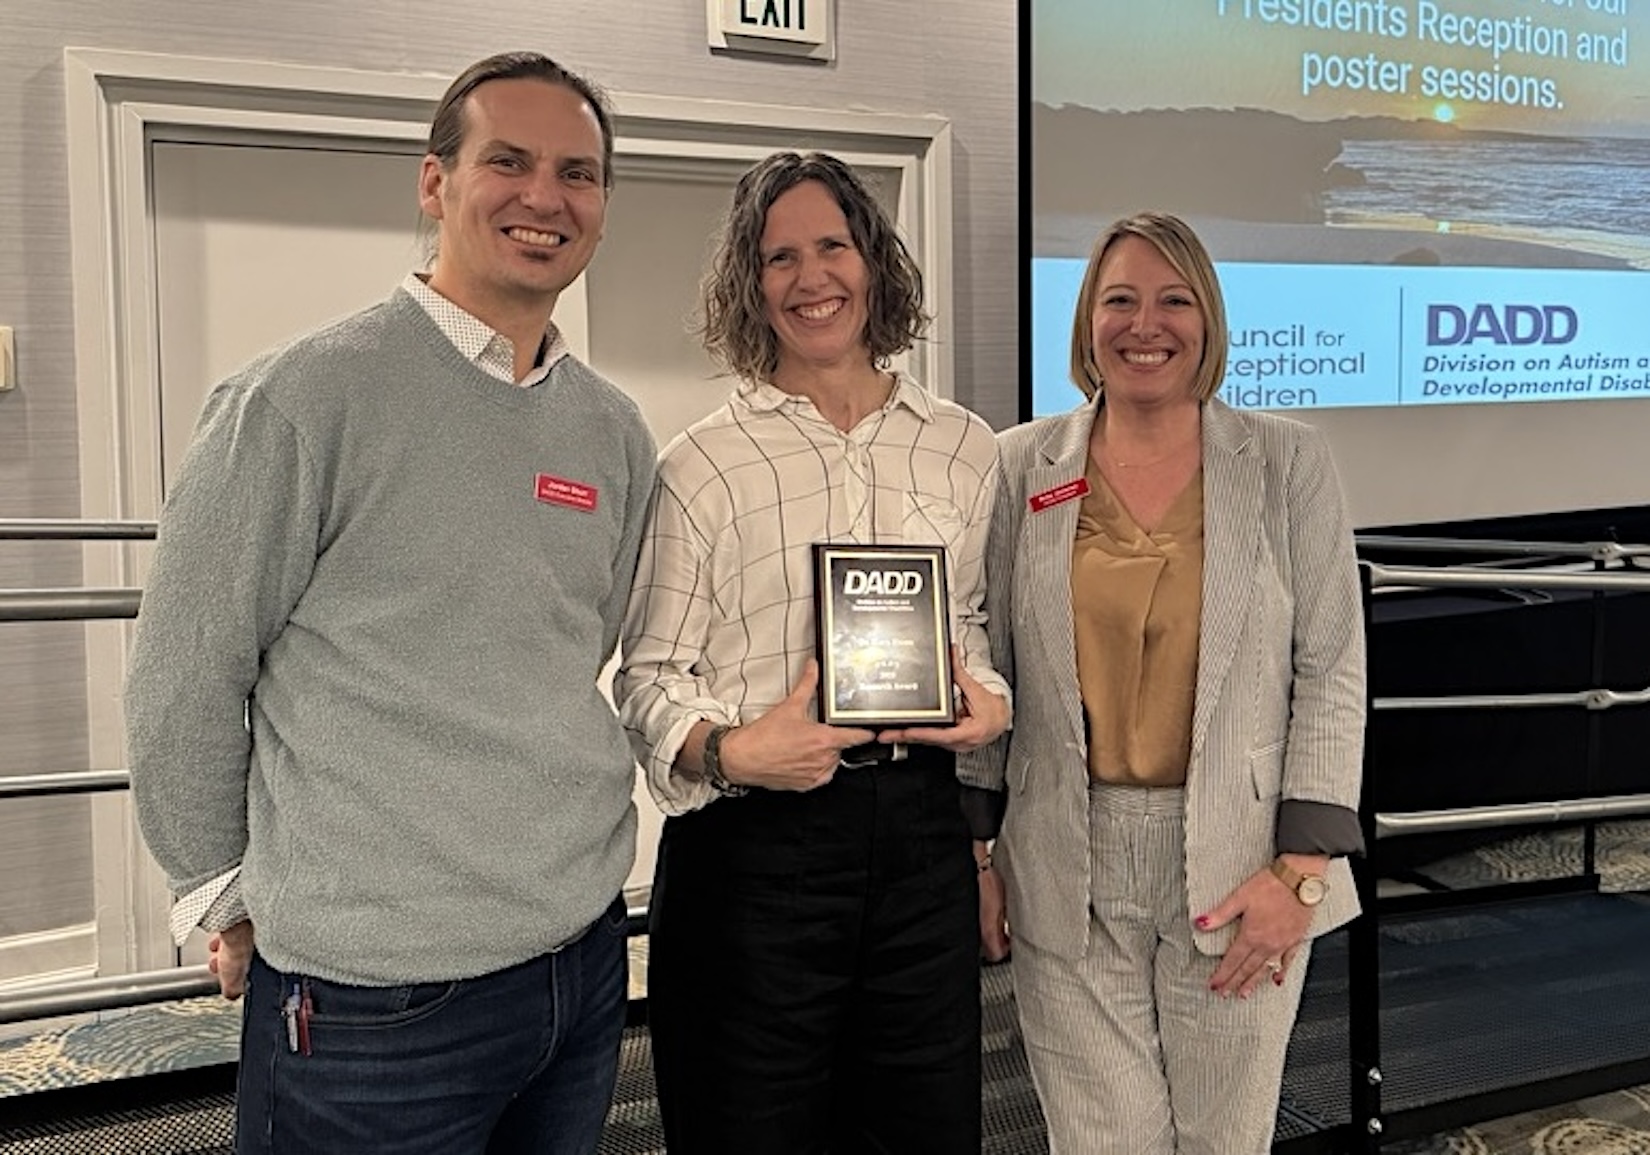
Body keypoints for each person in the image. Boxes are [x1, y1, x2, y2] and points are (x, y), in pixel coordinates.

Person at [124, 52, 656, 1155]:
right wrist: (222, 899)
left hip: (578, 960)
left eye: (579, 173)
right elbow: (183, 678)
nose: (545, 197)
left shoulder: (611, 430)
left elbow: (572, 650)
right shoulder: (300, 400)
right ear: (434, 183)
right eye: (506, 161)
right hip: (374, 1001)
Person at [615, 150, 1012, 1154]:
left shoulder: (964, 448)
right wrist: (731, 752)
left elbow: (969, 628)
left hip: (919, 841)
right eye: (778, 257)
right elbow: (649, 677)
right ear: (751, 286)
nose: (810, 277)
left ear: (872, 260)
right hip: (752, 852)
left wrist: (988, 702)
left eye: (831, 245)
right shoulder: (700, 463)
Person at [961, 211, 1366, 1155]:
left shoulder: (1286, 462)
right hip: (1065, 859)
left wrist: (1301, 877)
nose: (1147, 323)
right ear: (1087, 322)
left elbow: (1333, 666)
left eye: (1174, 299)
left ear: (1208, 319)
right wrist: (977, 854)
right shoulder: (1022, 465)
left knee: (1224, 1141)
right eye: (1121, 300)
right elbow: (988, 660)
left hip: (1245, 863)